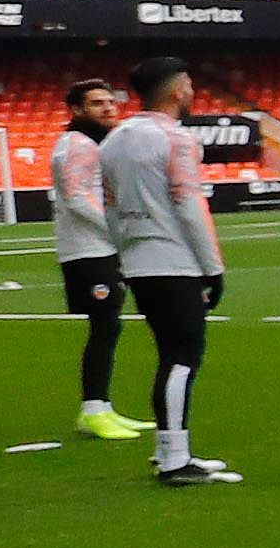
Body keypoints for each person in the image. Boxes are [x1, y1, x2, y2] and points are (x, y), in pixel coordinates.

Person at [96, 57, 235, 487]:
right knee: (182, 356)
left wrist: (125, 253)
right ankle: (175, 458)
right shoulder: (176, 140)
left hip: (138, 260)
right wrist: (213, 269)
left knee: (170, 355)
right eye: (189, 84)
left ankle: (170, 451)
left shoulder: (114, 141)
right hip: (174, 261)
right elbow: (190, 205)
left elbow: (111, 208)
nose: (193, 92)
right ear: (177, 90)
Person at [51, 77, 143, 443]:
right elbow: (75, 198)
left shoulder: (90, 143)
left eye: (110, 102)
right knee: (104, 327)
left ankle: (101, 407)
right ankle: (93, 410)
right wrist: (116, 231)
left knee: (109, 326)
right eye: (96, 103)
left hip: (100, 249)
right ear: (76, 110)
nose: (107, 108)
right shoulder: (75, 145)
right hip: (87, 251)